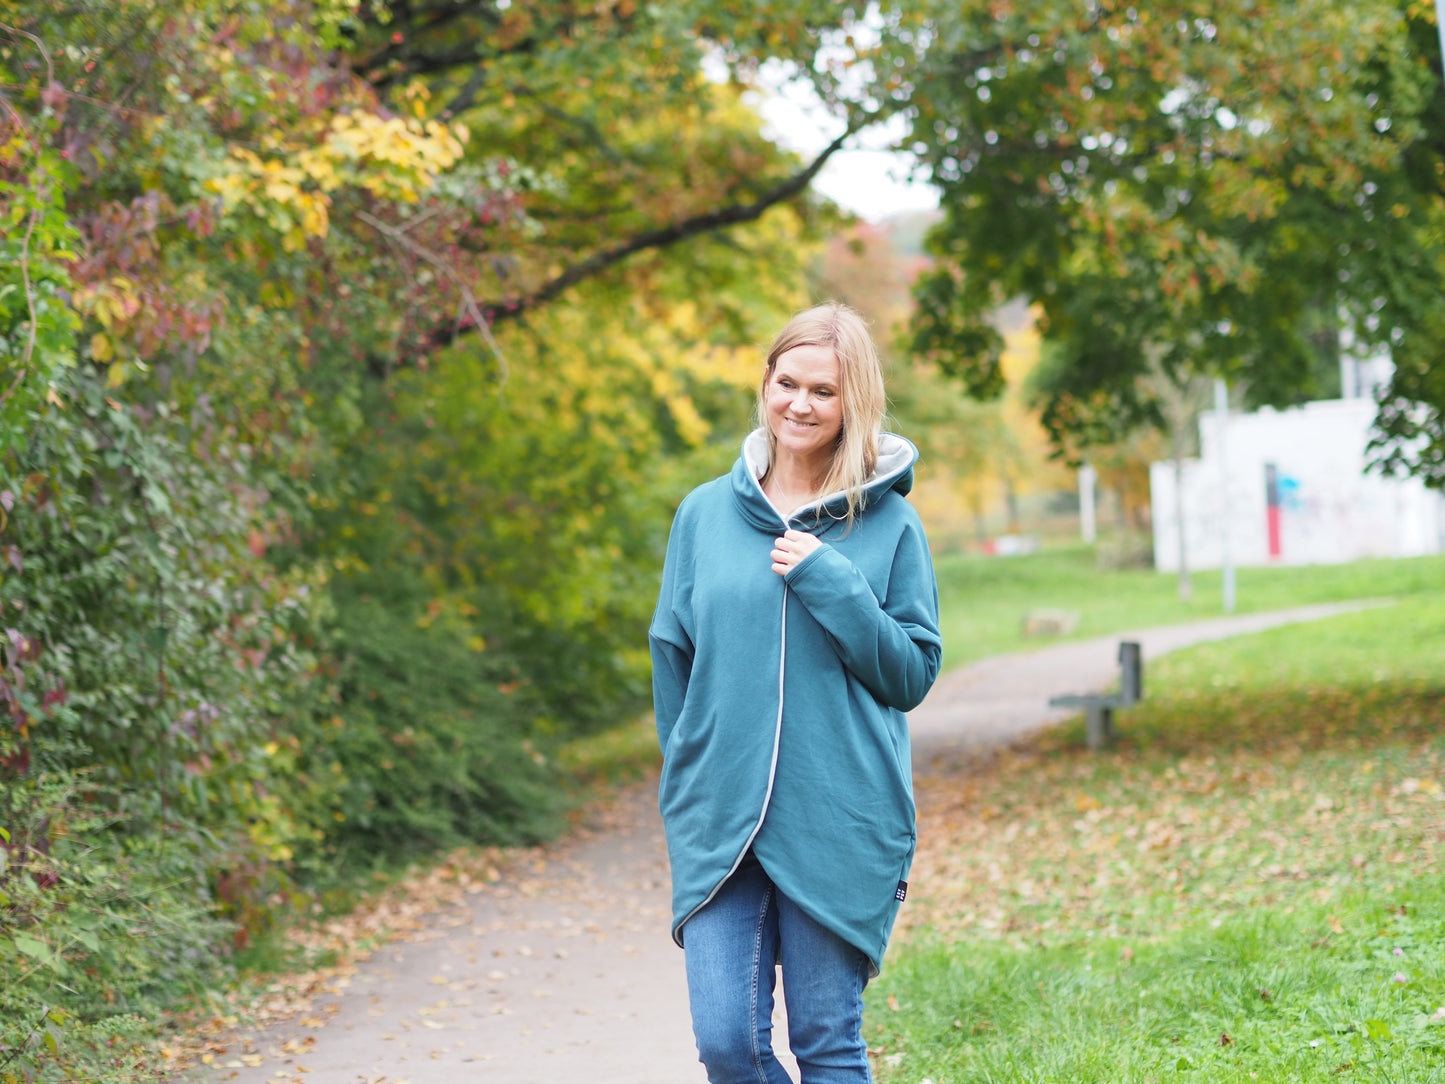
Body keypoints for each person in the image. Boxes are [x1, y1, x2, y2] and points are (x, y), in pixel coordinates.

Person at [649, 302, 942, 1083]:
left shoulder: (889, 524)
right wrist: (688, 781)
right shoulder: (703, 515)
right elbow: (672, 657)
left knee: (826, 1043)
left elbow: (910, 674)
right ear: (765, 383)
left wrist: (832, 583)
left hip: (838, 817)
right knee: (727, 1044)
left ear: (853, 403)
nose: (800, 405)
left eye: (823, 391)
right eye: (788, 384)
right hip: (720, 821)